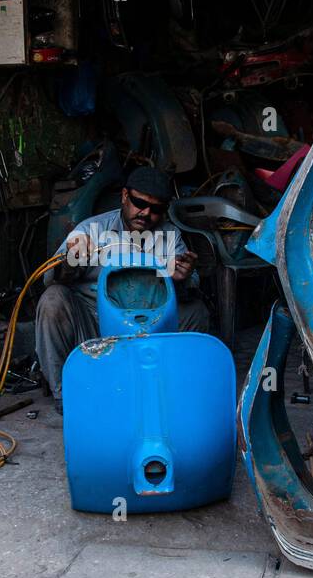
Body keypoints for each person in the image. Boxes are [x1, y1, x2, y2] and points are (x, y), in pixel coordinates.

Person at [35, 166, 211, 409]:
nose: (146, 213)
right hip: (95, 326)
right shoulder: (90, 230)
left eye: (156, 208)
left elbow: (190, 289)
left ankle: (169, 388)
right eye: (139, 202)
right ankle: (66, 396)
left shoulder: (170, 236)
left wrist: (182, 279)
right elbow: (51, 279)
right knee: (52, 300)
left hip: (148, 327)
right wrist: (71, 260)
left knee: (196, 311)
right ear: (124, 196)